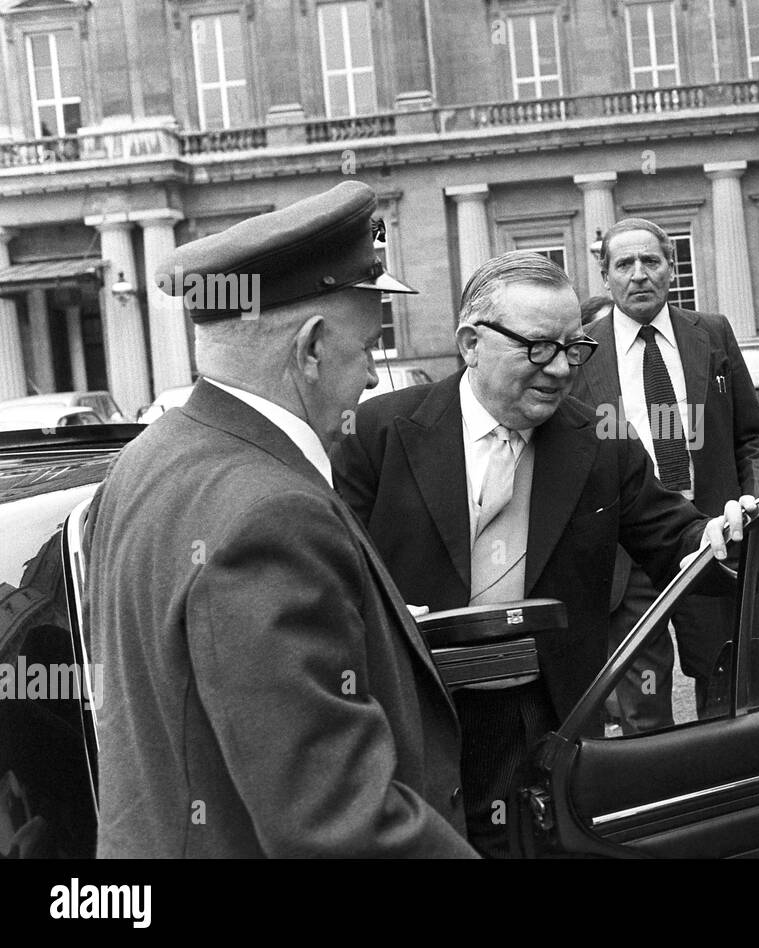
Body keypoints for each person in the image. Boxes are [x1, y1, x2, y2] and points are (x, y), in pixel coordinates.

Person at [86, 181, 478, 858]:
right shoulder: (274, 513)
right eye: (368, 350)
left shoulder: (143, 460)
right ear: (312, 348)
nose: (375, 380)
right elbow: (336, 824)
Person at [331, 250, 755, 857]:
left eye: (574, 349)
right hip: (419, 712)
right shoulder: (377, 434)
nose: (560, 369)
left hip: (545, 713)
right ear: (470, 343)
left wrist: (727, 537)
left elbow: (676, 541)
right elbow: (335, 578)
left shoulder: (600, 440)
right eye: (538, 348)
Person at [570, 218, 759, 733]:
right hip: (625, 553)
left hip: (711, 539)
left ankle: (725, 792)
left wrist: (756, 502)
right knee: (642, 704)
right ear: (605, 276)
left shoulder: (713, 332)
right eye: (624, 264)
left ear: (671, 269)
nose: (638, 275)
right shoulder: (579, 352)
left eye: (651, 262)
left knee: (725, 684)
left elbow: (753, 437)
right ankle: (657, 800)